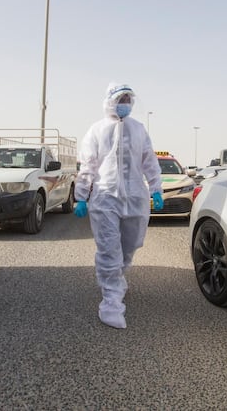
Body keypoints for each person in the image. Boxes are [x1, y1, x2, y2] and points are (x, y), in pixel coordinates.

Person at [74, 83, 163, 329]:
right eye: (120, 99)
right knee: (109, 248)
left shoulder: (138, 129)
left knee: (131, 244)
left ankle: (117, 277)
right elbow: (88, 165)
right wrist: (81, 195)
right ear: (110, 101)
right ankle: (111, 302)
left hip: (135, 197)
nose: (124, 103)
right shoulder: (97, 130)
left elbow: (149, 161)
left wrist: (156, 188)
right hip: (105, 198)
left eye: (127, 99)